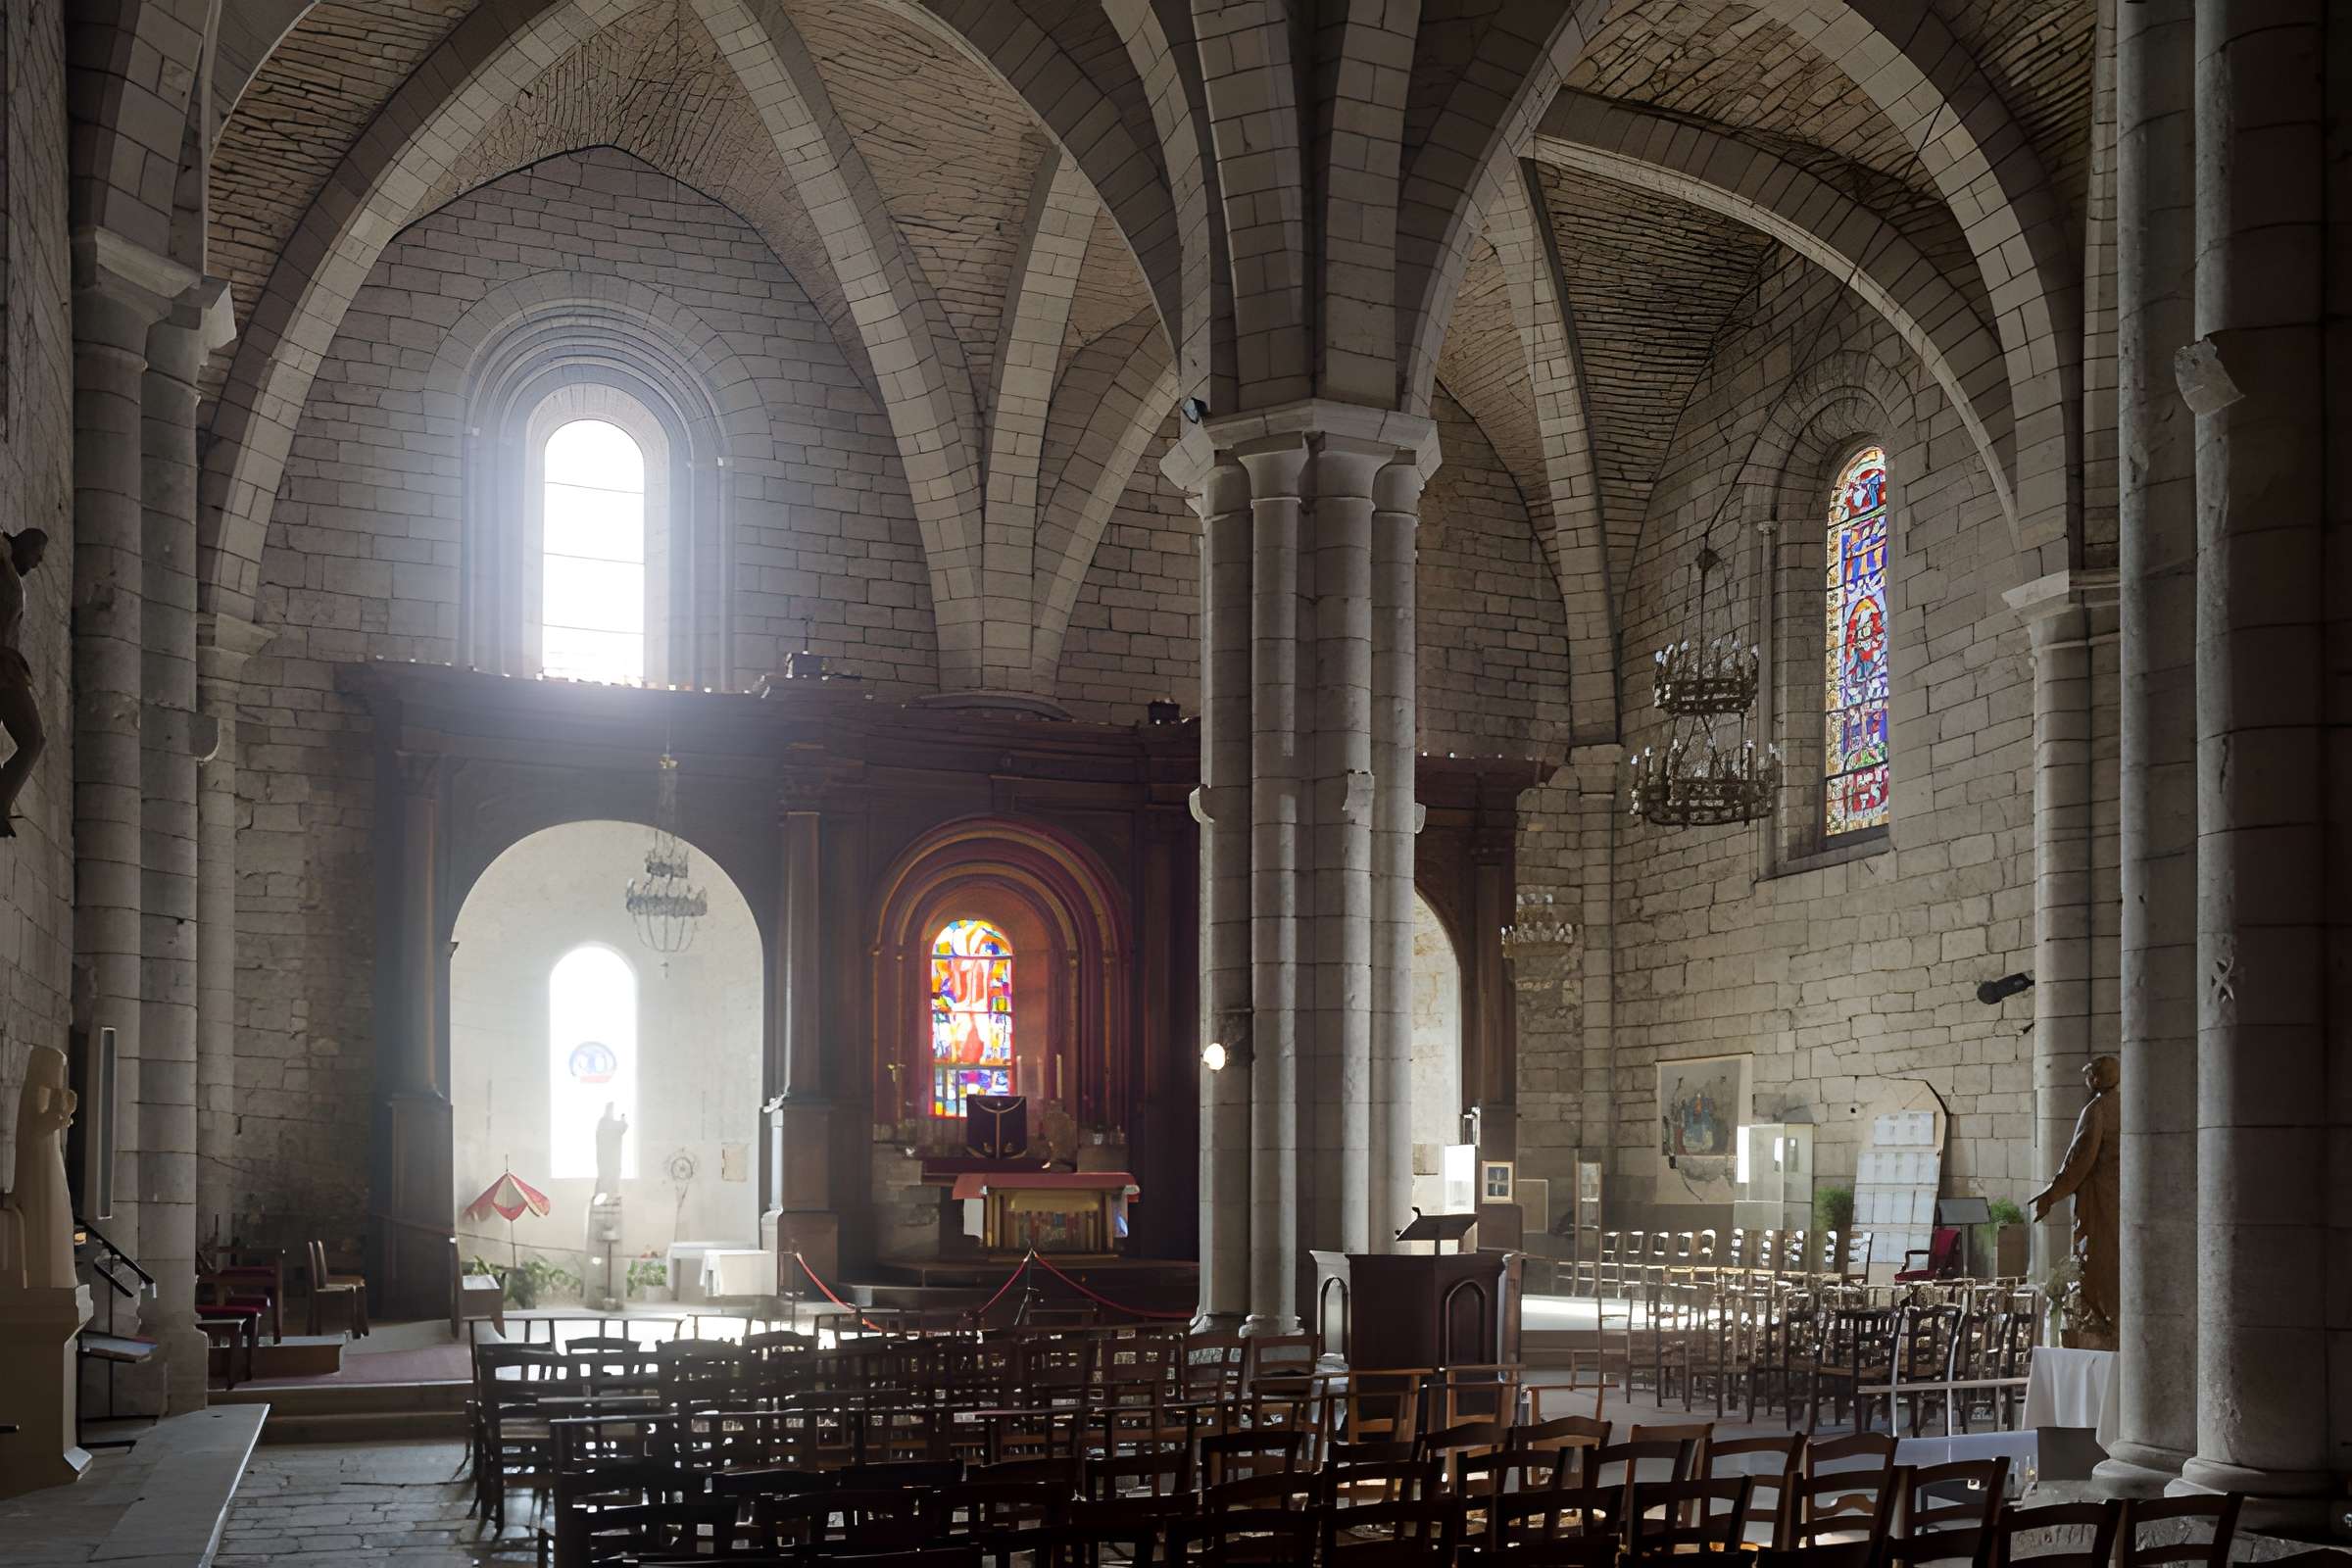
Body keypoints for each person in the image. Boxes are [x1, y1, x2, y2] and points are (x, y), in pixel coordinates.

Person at [0, 526, 50, 836]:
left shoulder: (9, 571)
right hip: (2, 667)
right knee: (33, 739)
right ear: (22, 544)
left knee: (35, 740)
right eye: (37, 553)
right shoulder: (3, 566)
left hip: (7, 667)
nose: (38, 562)